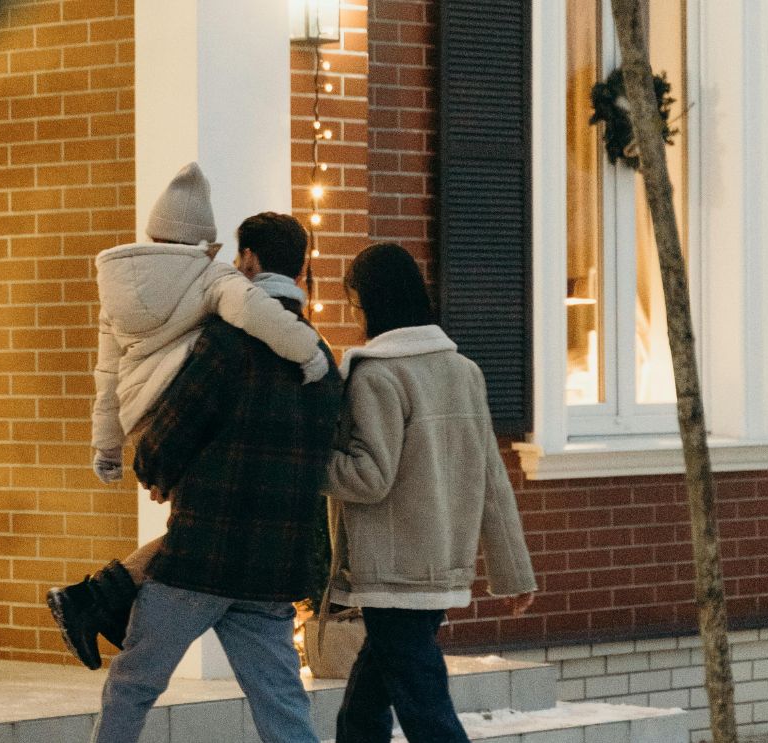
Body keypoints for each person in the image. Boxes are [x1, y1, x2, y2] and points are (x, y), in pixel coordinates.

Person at [46, 165, 328, 670]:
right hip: (180, 403)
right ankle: (91, 600)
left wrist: (108, 447)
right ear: (209, 242)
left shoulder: (114, 285)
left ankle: (93, 601)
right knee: (205, 530)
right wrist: (310, 353)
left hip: (143, 415)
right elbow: (258, 316)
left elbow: (105, 374)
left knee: (198, 529)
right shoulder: (214, 279)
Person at [92, 212, 342, 743]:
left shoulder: (224, 342)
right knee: (281, 702)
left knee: (133, 684)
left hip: (200, 558)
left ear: (248, 261)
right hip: (273, 566)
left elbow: (175, 427)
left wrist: (152, 470)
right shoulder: (319, 356)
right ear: (298, 270)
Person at [321, 243, 537, 743]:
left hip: (392, 572)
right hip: (440, 565)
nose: (355, 316)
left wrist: (304, 464)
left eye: (354, 304)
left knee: (425, 708)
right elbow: (491, 479)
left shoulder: (376, 375)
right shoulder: (464, 371)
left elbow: (368, 477)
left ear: (371, 303)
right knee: (363, 710)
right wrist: (515, 571)